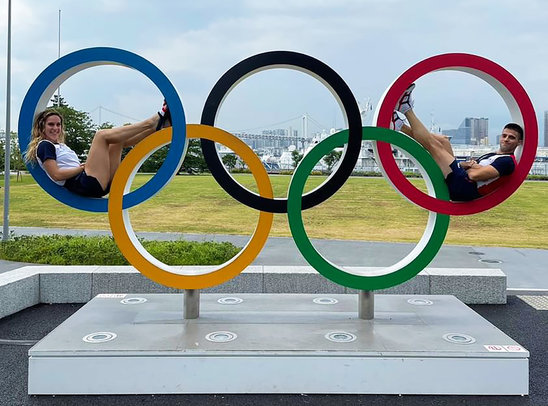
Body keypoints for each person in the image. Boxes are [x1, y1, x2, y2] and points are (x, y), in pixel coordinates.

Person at [391, 84, 523, 201]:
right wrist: (472, 165)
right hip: (462, 180)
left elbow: (473, 175)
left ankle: (406, 109)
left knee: (433, 145)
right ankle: (400, 126)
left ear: (519, 142)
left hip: (463, 187)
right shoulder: (493, 155)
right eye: (504, 135)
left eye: (511, 137)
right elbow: (467, 165)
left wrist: (473, 167)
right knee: (443, 140)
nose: (506, 139)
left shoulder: (507, 161)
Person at [25, 101, 171, 198]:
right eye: (51, 124)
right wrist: (81, 168)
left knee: (116, 141)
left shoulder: (60, 146)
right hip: (85, 184)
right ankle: (153, 121)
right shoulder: (44, 145)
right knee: (101, 135)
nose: (56, 128)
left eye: (58, 125)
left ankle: (158, 128)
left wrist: (82, 167)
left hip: (98, 184)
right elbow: (56, 175)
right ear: (42, 127)